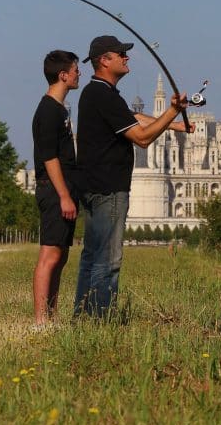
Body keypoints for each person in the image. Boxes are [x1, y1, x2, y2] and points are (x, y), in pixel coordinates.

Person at [74, 35, 193, 317]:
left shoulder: (97, 93)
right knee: (108, 260)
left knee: (91, 257)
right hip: (109, 188)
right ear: (104, 60)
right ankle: (100, 319)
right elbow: (141, 138)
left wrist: (174, 125)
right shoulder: (103, 94)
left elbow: (133, 118)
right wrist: (172, 110)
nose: (127, 58)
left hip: (93, 186)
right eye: (121, 54)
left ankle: (83, 316)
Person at [31, 50, 82, 326]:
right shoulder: (49, 111)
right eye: (75, 70)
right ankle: (40, 321)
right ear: (63, 75)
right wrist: (63, 196)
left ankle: (51, 315)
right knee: (49, 255)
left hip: (64, 191)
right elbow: (49, 157)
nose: (78, 74)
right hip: (54, 191)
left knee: (60, 256)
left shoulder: (60, 109)